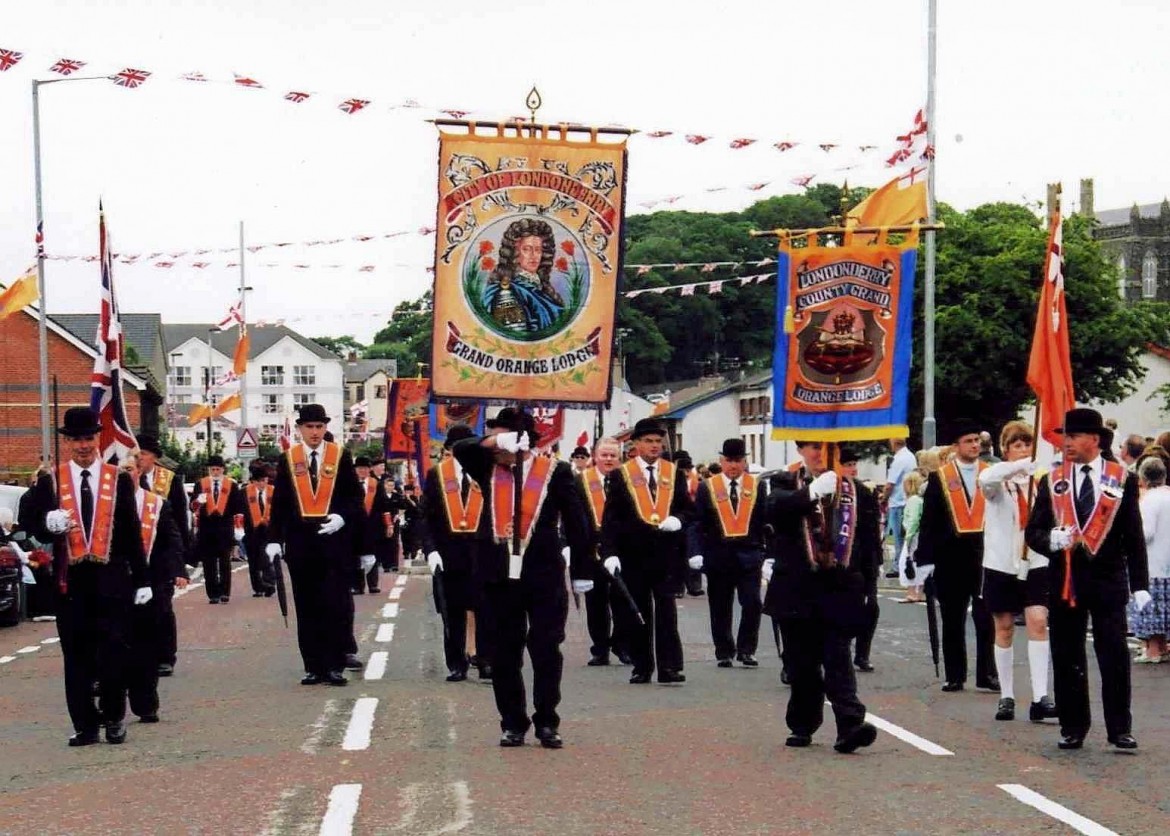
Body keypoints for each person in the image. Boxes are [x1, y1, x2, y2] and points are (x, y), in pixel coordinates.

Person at [452, 407, 592, 748]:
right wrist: (495, 439)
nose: (497, 446)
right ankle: (513, 721)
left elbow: (578, 521)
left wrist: (582, 569)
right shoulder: (487, 465)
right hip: (497, 574)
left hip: (542, 572)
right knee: (504, 652)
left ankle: (547, 720)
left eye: (506, 435)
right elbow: (461, 447)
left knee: (546, 648)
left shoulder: (555, 471)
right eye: (497, 437)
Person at [20, 407, 150, 746]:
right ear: (67, 442)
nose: (82, 445)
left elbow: (131, 531)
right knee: (76, 655)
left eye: (88, 438)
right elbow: (28, 520)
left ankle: (114, 718)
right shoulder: (51, 480)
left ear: (97, 439)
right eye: (76, 439)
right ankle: (85, 725)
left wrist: (143, 578)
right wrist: (48, 524)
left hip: (112, 579)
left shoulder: (117, 478)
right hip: (71, 582)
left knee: (112, 652)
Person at [1025, 408, 1151, 750]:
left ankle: (1119, 728)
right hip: (1066, 578)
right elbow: (1033, 532)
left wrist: (1140, 584)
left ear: (1094, 440)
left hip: (1108, 580)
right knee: (1067, 654)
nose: (1065, 442)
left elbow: (1133, 536)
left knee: (1113, 654)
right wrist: (1052, 539)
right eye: (1064, 436)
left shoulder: (1120, 478)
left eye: (1073, 436)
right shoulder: (1051, 480)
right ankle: (1073, 726)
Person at [763, 442, 879, 754]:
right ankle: (802, 725)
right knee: (802, 664)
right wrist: (810, 494)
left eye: (828, 448)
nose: (820, 454)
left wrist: (869, 589)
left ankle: (850, 725)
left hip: (840, 588)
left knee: (838, 657)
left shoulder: (858, 493)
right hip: (796, 589)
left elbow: (869, 546)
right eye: (814, 447)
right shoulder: (786, 482)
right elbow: (774, 508)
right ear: (801, 449)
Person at [266, 404, 363, 686]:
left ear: (325, 428)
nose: (315, 432)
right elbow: (280, 503)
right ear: (300, 429)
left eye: (319, 427)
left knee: (333, 604)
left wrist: (342, 518)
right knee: (307, 606)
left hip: (333, 542)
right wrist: (274, 539)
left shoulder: (340, 456)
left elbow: (353, 497)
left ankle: (334, 666)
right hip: (300, 544)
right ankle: (313, 666)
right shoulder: (288, 459)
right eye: (309, 427)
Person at [599, 418, 695, 685]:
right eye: (649, 441)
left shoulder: (672, 472)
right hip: (634, 554)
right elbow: (611, 518)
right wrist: (609, 552)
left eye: (658, 441)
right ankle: (642, 665)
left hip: (666, 553)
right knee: (638, 611)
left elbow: (687, 508)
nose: (655, 446)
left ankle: (670, 666)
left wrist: (679, 520)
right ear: (637, 444)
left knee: (666, 610)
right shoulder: (622, 474)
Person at [978, 421, 1057, 723]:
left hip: (1035, 560)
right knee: (1005, 628)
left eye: (1027, 445)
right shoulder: (998, 483)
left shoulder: (1042, 483)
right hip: (1001, 563)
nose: (1023, 451)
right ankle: (1007, 696)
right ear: (1006, 450)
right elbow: (987, 477)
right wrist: (1020, 466)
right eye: (1017, 446)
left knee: (1038, 621)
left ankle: (1040, 697)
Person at [917, 422, 997, 693]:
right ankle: (955, 675)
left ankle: (987, 674)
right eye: (968, 440)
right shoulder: (940, 478)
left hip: (985, 556)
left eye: (977, 439)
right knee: (952, 619)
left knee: (986, 618)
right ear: (955, 446)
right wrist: (925, 560)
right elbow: (929, 521)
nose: (975, 445)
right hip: (950, 558)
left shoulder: (991, 474)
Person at [120, 452, 188, 724]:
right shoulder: (106, 504)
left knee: (145, 644)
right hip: (117, 582)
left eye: (130, 469)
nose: (125, 474)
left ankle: (145, 702)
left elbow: (172, 540)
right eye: (120, 470)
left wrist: (177, 570)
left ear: (139, 472)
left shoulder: (156, 504)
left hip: (152, 581)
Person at [687, 438, 766, 668]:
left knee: (752, 603)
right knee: (720, 606)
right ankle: (724, 651)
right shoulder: (707, 487)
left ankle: (747, 650)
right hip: (718, 555)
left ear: (745, 461)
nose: (733, 466)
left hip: (749, 556)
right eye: (729, 461)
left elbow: (764, 520)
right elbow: (696, 523)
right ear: (721, 461)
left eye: (738, 461)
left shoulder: (757, 485)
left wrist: (768, 553)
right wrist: (695, 551)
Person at [420, 424, 488, 682]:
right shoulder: (437, 475)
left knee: (485, 609)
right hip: (449, 555)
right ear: (449, 450)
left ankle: (485, 659)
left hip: (482, 553)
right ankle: (457, 663)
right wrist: (431, 550)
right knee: (453, 612)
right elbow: (426, 516)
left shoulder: (487, 473)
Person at [136, 435, 190, 675]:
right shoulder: (124, 480)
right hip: (134, 554)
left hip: (160, 554)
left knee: (162, 608)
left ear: (155, 457)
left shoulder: (169, 481)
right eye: (135, 454)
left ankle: (165, 657)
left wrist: (180, 564)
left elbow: (179, 521)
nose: (139, 459)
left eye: (144, 454)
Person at [577, 437, 632, 667]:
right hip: (592, 548)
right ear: (595, 456)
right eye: (604, 455)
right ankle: (600, 648)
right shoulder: (580, 482)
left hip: (622, 549)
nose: (609, 459)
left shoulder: (629, 480)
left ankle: (622, 644)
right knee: (596, 602)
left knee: (622, 599)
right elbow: (574, 516)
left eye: (613, 456)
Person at [839, 447, 884, 673]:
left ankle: (862, 654)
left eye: (854, 464)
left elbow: (873, 529)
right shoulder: (829, 492)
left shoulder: (864, 493)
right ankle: (843, 650)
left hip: (864, 560)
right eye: (847, 464)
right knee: (843, 610)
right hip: (840, 563)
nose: (853, 469)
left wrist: (876, 560)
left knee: (871, 608)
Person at [482, 219, 566, 335]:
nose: (533, 255)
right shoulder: (507, 293)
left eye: (538, 250)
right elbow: (516, 339)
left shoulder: (541, 288)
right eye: (526, 249)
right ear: (514, 252)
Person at [190, 455, 247, 604]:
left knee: (224, 562)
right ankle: (213, 594)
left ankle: (224, 593)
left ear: (223, 469)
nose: (215, 472)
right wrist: (198, 502)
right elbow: (192, 506)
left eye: (217, 469)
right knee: (209, 563)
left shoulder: (231, 485)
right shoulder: (200, 484)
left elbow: (238, 507)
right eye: (212, 469)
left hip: (224, 528)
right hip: (206, 528)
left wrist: (238, 527)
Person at [1129, 456, 1170, 662]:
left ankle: (1153, 650)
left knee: (1151, 609)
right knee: (1164, 609)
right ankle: (1162, 647)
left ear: (1143, 477)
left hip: (1153, 564)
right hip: (1167, 561)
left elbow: (1146, 532)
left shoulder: (1149, 500)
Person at [352, 456, 387, 595]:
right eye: (360, 468)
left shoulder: (376, 484)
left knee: (372, 555)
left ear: (370, 470)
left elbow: (383, 505)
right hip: (354, 527)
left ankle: (373, 584)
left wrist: (386, 525)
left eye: (365, 468)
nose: (362, 471)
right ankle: (357, 586)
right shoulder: (350, 485)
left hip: (372, 525)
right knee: (355, 557)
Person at [242, 462, 276, 598]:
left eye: (265, 481)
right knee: (253, 561)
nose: (263, 484)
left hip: (268, 531)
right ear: (253, 482)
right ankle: (258, 588)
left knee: (266, 557)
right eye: (260, 481)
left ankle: (269, 583)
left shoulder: (273, 491)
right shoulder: (244, 493)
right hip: (251, 532)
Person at [884, 437, 916, 578]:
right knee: (906, 536)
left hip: (897, 502)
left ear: (894, 442)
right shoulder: (910, 457)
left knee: (898, 537)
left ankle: (898, 566)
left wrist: (883, 497)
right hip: (907, 500)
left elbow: (890, 484)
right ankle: (905, 563)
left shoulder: (899, 459)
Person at [896, 470, 926, 603]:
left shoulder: (913, 500)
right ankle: (919, 593)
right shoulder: (920, 500)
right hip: (920, 535)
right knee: (919, 564)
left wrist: (908, 537)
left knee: (908, 563)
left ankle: (911, 592)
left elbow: (913, 520)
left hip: (913, 536)